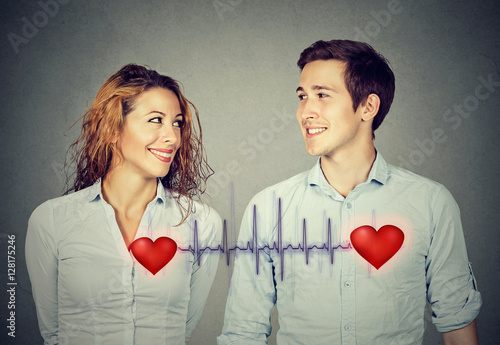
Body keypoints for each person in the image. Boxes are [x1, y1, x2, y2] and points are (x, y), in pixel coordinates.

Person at [218, 40, 481, 345]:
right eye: (302, 97)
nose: (305, 112)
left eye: (322, 95)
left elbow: (458, 326)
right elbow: (243, 333)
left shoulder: (431, 204)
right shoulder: (267, 207)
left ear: (368, 107)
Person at [26, 64, 222, 345]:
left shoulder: (202, 223)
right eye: (156, 120)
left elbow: (183, 327)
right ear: (112, 129)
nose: (173, 137)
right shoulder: (51, 221)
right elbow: (54, 334)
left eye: (177, 123)